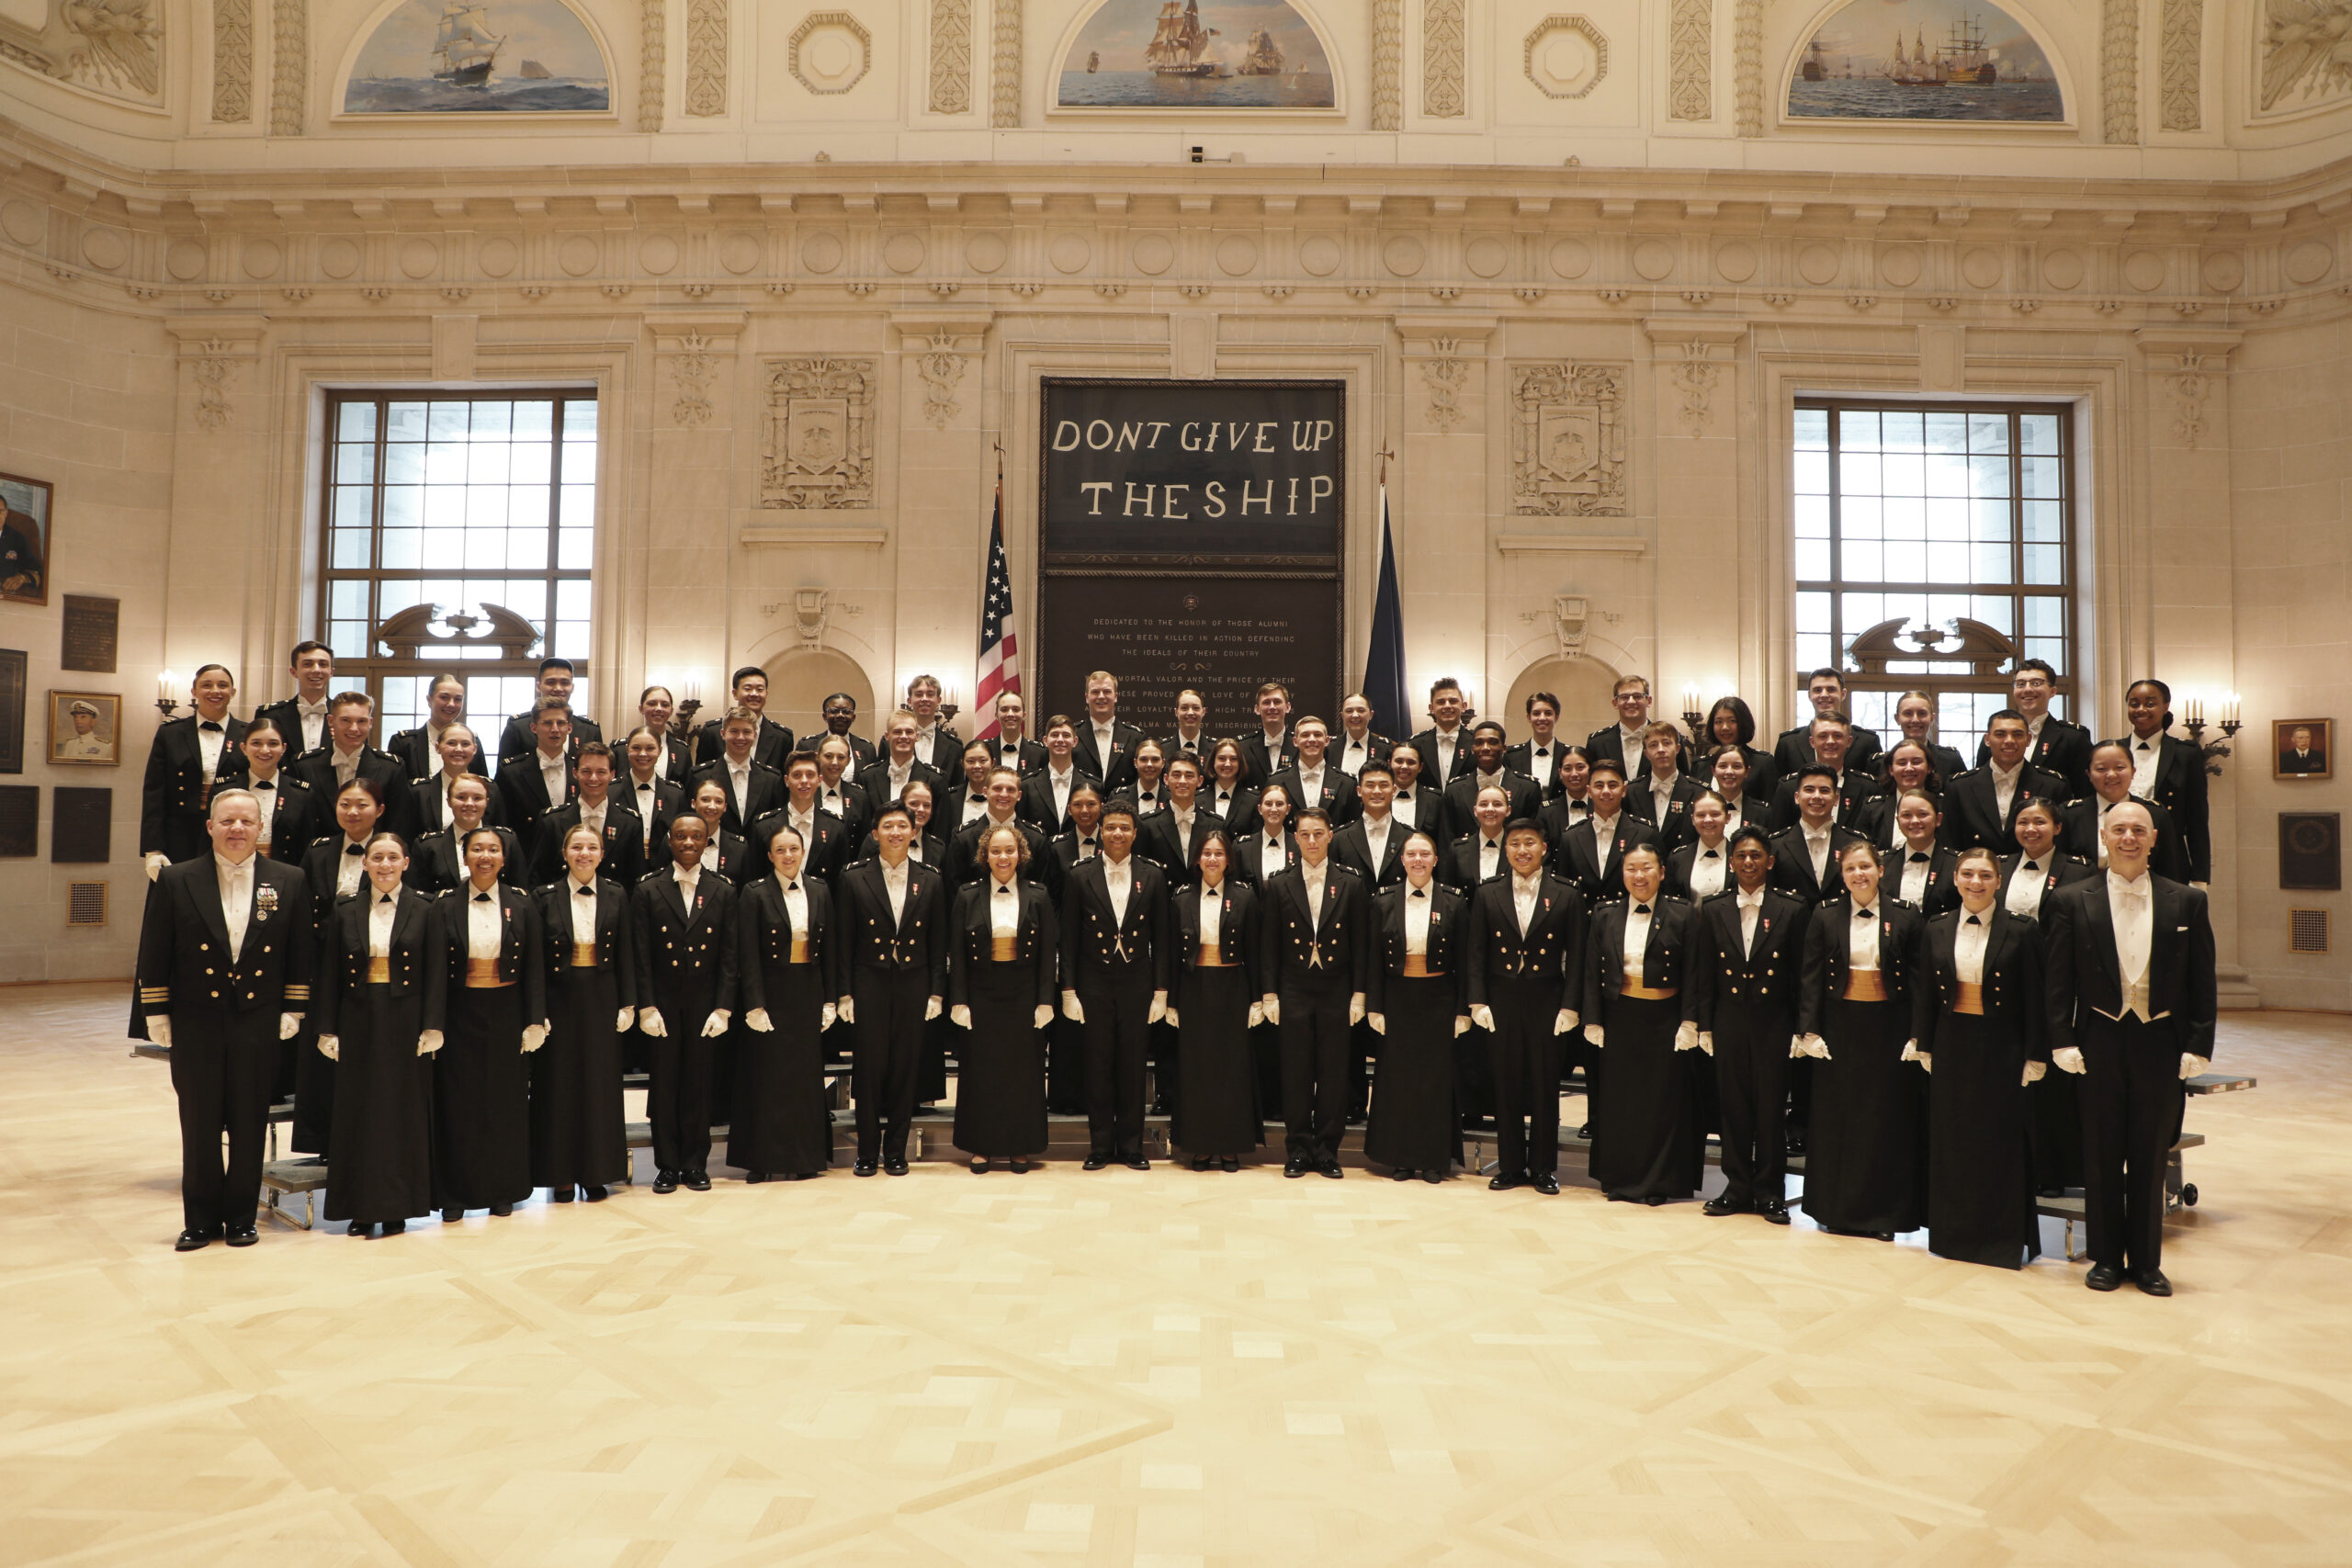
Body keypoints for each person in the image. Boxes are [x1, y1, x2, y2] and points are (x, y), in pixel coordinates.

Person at [2043, 801, 2217, 1297]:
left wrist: (2199, 1042)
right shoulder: (2072, 899)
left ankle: (2146, 1262)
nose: (2128, 837)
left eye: (2138, 830)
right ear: (2104, 836)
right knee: (2100, 1153)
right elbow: (2058, 981)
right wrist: (2061, 1039)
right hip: (2097, 1039)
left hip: (2160, 1041)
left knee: (2149, 1152)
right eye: (2118, 829)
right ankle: (2104, 1258)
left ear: (2154, 838)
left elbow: (2202, 981)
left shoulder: (2186, 901)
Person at [135, 789, 313, 1251]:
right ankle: (199, 1219)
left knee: (250, 1120)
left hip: (257, 1019)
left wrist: (294, 1008)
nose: (237, 829)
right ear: (211, 826)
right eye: (228, 821)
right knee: (198, 1122)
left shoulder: (289, 880)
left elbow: (299, 951)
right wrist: (156, 1010)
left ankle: (240, 1218)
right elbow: (154, 949)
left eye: (247, 822)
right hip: (196, 1018)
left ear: (261, 829)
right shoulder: (177, 879)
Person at [1795, 842, 1934, 1239]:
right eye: (1851, 868)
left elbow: (1921, 979)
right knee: (1837, 1118)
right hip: (1839, 1027)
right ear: (1842, 875)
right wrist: (1810, 1029)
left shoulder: (1906, 916)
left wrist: (1917, 1033)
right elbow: (1809, 977)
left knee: (1884, 1118)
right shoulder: (1823, 915)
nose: (1859, 874)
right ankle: (1833, 1210)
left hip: (1889, 1027)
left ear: (1880, 871)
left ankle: (1882, 1216)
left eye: (1866, 867)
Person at [1918, 848, 2047, 1269]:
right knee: (1953, 1140)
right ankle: (1954, 1236)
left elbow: (2034, 996)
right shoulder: (1935, 927)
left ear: (1998, 880)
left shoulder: (2023, 930)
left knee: (2000, 1142)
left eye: (1985, 875)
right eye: (1968, 874)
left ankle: (1999, 1240)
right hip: (1953, 1042)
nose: (1976, 883)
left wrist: (2034, 1053)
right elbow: (1924, 991)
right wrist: (1923, 1043)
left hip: (2003, 1045)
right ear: (1955, 878)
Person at [313, 831, 443, 1239]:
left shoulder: (426, 908)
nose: (385, 865)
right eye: (377, 858)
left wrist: (434, 1025)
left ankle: (398, 1207)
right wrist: (326, 1028)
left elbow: (437, 972)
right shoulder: (345, 908)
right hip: (358, 1018)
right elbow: (329, 973)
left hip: (406, 1022)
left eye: (393, 857)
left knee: (401, 1113)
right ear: (364, 864)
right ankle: (361, 1208)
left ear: (406, 863)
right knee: (359, 1113)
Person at [1690, 826, 1808, 1222]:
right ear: (1731, 861)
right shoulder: (1713, 908)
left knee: (1771, 1109)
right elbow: (1704, 974)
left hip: (1774, 1022)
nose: (1748, 862)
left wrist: (1801, 1028)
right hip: (1729, 1021)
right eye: (1740, 855)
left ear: (1770, 861)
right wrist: (1704, 1025)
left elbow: (1801, 977)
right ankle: (1736, 1186)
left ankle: (1770, 1191)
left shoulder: (1791, 909)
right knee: (1733, 1107)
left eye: (1756, 855)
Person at [431, 828, 547, 1224]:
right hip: (459, 1011)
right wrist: (433, 1022)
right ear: (464, 857)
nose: (485, 856)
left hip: (506, 1009)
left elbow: (535, 967)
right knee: (457, 1102)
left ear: (504, 858)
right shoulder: (443, 904)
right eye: (477, 849)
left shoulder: (522, 903)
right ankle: (456, 1193)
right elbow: (433, 971)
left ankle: (505, 1189)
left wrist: (534, 1020)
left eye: (493, 850)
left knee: (506, 1101)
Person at [1465, 819, 1585, 1193]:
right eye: (1514, 843)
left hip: (1547, 997)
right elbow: (1476, 952)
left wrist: (1570, 1006)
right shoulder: (1488, 893)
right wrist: (1477, 1000)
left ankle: (1544, 1167)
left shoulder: (1566, 894)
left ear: (1543, 849)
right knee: (1506, 1083)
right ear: (1506, 850)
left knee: (1547, 1084)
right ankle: (1512, 1166)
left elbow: (1578, 957)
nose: (1522, 850)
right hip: (1502, 997)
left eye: (1529, 843)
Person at [1579, 844, 1702, 1203]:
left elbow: (1695, 972)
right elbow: (1590, 971)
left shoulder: (1681, 914)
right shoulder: (1604, 914)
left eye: (1646, 868)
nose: (1639, 875)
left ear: (1661, 872)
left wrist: (1689, 1021)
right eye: (1631, 868)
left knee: (1660, 1103)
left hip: (1664, 1021)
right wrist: (1593, 1019)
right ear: (1623, 874)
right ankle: (1620, 1178)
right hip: (1620, 1017)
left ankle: (1657, 1183)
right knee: (1620, 1101)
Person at [834, 803, 948, 1176]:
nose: (896, 832)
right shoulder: (853, 877)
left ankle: (896, 1151)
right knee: (868, 1069)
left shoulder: (930, 878)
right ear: (875, 834)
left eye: (903, 825)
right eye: (888, 826)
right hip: (870, 982)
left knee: (905, 1067)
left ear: (914, 832)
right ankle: (867, 1152)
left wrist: (936, 991)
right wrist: (845, 992)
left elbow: (937, 942)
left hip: (914, 983)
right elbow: (844, 942)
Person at [630, 814, 740, 1195]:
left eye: (696, 836)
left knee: (699, 1082)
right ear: (670, 841)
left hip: (705, 1003)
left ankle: (695, 1163)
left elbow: (730, 955)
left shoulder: (723, 889)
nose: (688, 843)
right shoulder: (648, 888)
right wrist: (646, 1006)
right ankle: (666, 1164)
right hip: (662, 1003)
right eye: (681, 836)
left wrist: (724, 1007)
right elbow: (640, 954)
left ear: (707, 841)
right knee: (664, 1083)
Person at [1259, 808, 1370, 1179]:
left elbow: (1360, 946)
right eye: (1304, 834)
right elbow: (1268, 946)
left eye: (1318, 834)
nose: (1311, 841)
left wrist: (1359, 995)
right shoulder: (1277, 884)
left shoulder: (1351, 883)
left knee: (1334, 1073)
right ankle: (1298, 1150)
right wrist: (1270, 994)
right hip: (1294, 989)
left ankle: (1327, 1151)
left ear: (1330, 836)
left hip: (1336, 989)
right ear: (1295, 838)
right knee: (1296, 1073)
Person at [1060, 801, 1170, 1170]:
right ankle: (1100, 1147)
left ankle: (1132, 1147)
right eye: (1111, 828)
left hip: (1137, 981)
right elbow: (1069, 938)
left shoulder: (1153, 875)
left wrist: (1161, 991)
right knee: (1098, 1064)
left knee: (1133, 1066)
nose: (1117, 834)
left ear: (1135, 833)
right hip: (1094, 982)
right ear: (1100, 832)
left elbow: (1163, 939)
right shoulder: (1079, 875)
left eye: (1124, 827)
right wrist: (1069, 990)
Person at [1999, 796, 2100, 1196]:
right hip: (2005, 985)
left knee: (2052, 1080)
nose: (2030, 830)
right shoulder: (2000, 866)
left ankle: (2052, 1170)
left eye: (2040, 822)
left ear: (2057, 828)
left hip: (2057, 985)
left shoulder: (2078, 872)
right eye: (2023, 822)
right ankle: (2010, 1163)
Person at [532, 823, 636, 1203]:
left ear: (602, 854)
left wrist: (628, 1002)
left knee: (599, 1086)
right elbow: (536, 962)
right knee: (558, 1085)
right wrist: (537, 1010)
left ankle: (596, 1172)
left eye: (592, 847)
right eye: (576, 847)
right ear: (564, 853)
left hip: (602, 996)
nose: (584, 854)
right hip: (560, 999)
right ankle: (560, 1174)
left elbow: (627, 951)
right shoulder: (544, 897)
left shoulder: (617, 894)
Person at [730, 826, 840, 1182]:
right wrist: (755, 1004)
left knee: (806, 1078)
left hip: (807, 989)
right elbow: (746, 953)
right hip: (771, 992)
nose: (789, 856)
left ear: (803, 851)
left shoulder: (821, 890)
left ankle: (805, 1158)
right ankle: (762, 1160)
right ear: (770, 856)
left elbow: (831, 953)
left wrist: (829, 999)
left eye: (794, 848)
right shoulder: (754, 892)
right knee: (766, 1077)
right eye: (781, 850)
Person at [947, 824, 1057, 1172]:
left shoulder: (1039, 895)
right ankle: (982, 1146)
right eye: (996, 851)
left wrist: (1045, 1001)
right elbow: (958, 954)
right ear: (985, 856)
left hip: (1023, 992)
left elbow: (1047, 954)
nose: (1003, 857)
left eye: (1009, 850)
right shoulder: (967, 895)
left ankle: (1019, 1146)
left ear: (1021, 854)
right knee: (981, 1071)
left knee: (1023, 1072)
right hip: (982, 993)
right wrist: (959, 1000)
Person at [1361, 831, 1467, 1181]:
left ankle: (1433, 1158)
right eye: (1412, 854)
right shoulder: (1383, 901)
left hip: (1439, 998)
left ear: (1436, 860)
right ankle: (1400, 1156)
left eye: (1425, 854)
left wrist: (1463, 1009)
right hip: (1397, 997)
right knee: (1397, 1079)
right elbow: (1372, 961)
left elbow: (1465, 960)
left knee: (1435, 1080)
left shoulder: (1454, 901)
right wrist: (1374, 1006)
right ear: (1402, 860)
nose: (1418, 860)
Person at [293, 776, 389, 1156]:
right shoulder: (318, 851)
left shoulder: (390, 850)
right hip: (323, 968)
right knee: (323, 1058)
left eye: (362, 804)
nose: (353, 812)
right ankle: (326, 1142)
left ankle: (370, 1137)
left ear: (379, 811)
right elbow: (300, 912)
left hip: (372, 971)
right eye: (345, 804)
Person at [1166, 829, 1264, 1170]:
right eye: (1206, 853)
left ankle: (1231, 1145)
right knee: (1196, 1068)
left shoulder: (1246, 897)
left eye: (1219, 854)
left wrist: (1257, 999)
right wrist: (1171, 1001)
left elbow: (1256, 952)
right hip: (1194, 988)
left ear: (1229, 860)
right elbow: (1171, 956)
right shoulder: (1180, 898)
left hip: (1233, 987)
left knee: (1232, 1067)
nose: (1212, 859)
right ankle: (1199, 1145)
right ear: (1196, 859)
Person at [142, 664, 250, 874]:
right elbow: (154, 792)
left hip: (233, 830)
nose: (215, 691)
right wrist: (152, 849)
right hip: (181, 832)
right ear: (194, 692)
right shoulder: (171, 733)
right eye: (207, 685)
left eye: (223, 685)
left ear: (233, 692)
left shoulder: (248, 734)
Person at [2116, 678, 2210, 882]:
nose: (2141, 709)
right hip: (2119, 856)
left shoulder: (2186, 753)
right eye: (2134, 704)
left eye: (2150, 703)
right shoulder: (2113, 750)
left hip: (2170, 860)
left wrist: (2200, 877)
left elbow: (2198, 821)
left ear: (2165, 706)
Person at [2061, 741, 2191, 883]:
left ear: (2133, 771)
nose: (2111, 774)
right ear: (2089, 774)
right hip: (2084, 897)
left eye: (2120, 768)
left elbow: (2170, 869)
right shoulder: (2070, 814)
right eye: (2101, 769)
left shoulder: (2155, 814)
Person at [1946, 710, 2070, 854]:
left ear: (2028, 739)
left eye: (2017, 734)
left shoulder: (2054, 785)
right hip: (1976, 873)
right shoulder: (1959, 787)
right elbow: (1950, 844)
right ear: (1987, 739)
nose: (2009, 740)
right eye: (2000, 734)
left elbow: (2062, 842)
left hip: (2034, 872)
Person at [529, 740, 645, 888]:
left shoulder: (630, 823)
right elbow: (537, 878)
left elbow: (635, 883)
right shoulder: (551, 821)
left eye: (601, 772)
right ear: (575, 773)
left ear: (612, 774)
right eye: (586, 771)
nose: (593, 778)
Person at [1976, 658, 2091, 798]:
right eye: (2020, 684)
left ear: (2053, 691)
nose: (2028, 689)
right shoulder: (1995, 736)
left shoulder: (2073, 738)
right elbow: (1980, 783)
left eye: (2036, 683)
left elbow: (2083, 793)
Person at [1551, 757, 1657, 904]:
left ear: (1624, 790)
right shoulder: (1570, 838)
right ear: (1589, 791)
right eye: (1599, 786)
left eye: (1613, 785)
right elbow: (1561, 892)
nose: (1606, 791)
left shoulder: (1645, 833)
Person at [407, 774, 525, 897]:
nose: (469, 803)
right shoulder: (427, 846)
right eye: (461, 797)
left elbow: (520, 893)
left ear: (487, 802)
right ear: (449, 801)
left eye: (477, 798)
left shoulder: (507, 840)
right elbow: (419, 898)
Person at [495, 698, 580, 862]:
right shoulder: (512, 772)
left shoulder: (581, 770)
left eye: (560, 723)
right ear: (534, 727)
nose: (555, 729)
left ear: (569, 728)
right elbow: (502, 824)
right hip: (527, 859)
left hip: (574, 861)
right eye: (547, 723)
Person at [235, 715, 324, 867]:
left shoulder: (301, 794)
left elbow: (306, 850)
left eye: (273, 744)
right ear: (244, 748)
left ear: (283, 748)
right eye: (256, 743)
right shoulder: (225, 790)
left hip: (284, 874)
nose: (265, 750)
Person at [1769, 765, 1863, 906]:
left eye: (1824, 790)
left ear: (1836, 799)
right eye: (1809, 790)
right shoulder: (1775, 845)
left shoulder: (1856, 844)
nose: (1817, 796)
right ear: (1797, 797)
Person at [1767, 714, 1878, 832]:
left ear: (1849, 741)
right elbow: (1777, 839)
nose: (1830, 741)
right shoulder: (1788, 787)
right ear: (1812, 742)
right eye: (1823, 736)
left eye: (1837, 736)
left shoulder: (1868, 788)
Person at [1771, 668, 1884, 778]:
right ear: (1809, 695)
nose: (1824, 695)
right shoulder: (1788, 743)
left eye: (1831, 689)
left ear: (1843, 694)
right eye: (1817, 690)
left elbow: (1875, 787)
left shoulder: (1867, 741)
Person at [692, 705, 785, 838]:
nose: (740, 737)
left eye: (747, 732)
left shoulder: (772, 779)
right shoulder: (700, 776)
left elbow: (775, 825)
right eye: (734, 731)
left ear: (755, 735)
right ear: (723, 734)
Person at [496, 657, 603, 763]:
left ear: (572, 687)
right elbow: (505, 773)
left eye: (565, 683)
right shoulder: (517, 727)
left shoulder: (590, 730)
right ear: (538, 686)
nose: (558, 688)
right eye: (551, 682)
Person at [1138, 753, 1223, 886]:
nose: (1182, 781)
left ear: (1200, 781)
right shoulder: (1148, 824)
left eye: (1189, 776)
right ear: (1166, 779)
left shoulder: (1215, 824)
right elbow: (1142, 873)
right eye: (1176, 775)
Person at [387, 674, 487, 784]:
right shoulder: (405, 743)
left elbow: (482, 784)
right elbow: (395, 788)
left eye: (457, 699)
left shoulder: (472, 741)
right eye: (444, 697)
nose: (451, 704)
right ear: (429, 700)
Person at [1441, 720, 1539, 832]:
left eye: (1493, 742)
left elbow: (1535, 835)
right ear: (1473, 750)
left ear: (1504, 749)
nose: (1485, 748)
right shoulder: (1454, 790)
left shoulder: (1527, 788)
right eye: (1479, 743)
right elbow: (1446, 840)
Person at [411, 723, 506, 836]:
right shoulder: (419, 791)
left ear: (475, 749)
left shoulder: (490, 788)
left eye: (465, 744)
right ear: (437, 747)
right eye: (451, 743)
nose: (458, 749)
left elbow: (500, 833)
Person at [1855, 739, 1949, 854]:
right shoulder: (1873, 809)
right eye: (1902, 763)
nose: (1909, 768)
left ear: (1929, 767)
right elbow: (1861, 853)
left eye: (1916, 762)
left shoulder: (1945, 806)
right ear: (1891, 770)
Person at [1588, 674, 1689, 780]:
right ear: (1615, 703)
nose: (1631, 701)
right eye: (1624, 697)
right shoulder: (1597, 743)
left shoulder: (1671, 739)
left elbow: (1684, 782)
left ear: (1649, 701)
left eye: (1637, 696)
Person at [1883, 787, 1962, 917]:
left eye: (1922, 814)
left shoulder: (1957, 864)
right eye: (1907, 815)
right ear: (1898, 821)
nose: (1915, 821)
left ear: (1938, 819)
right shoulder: (1884, 864)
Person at [1330, 759, 1407, 889]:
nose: (1377, 791)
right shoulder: (1338, 839)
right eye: (1370, 785)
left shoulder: (1409, 838)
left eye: (1383, 785)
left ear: (1394, 790)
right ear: (1359, 791)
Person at [1626, 722, 1703, 851]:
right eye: (1653, 745)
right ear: (1646, 753)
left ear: (1678, 748)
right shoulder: (1631, 792)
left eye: (1667, 743)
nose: (1661, 750)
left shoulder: (1698, 792)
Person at [1270, 716, 1359, 825]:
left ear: (1327, 741)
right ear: (1295, 741)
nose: (1311, 739)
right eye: (1305, 735)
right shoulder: (1276, 781)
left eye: (1317, 735)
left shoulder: (1347, 783)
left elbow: (1352, 828)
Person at [253, 640, 336, 757]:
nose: (316, 670)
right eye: (307, 664)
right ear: (293, 672)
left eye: (323, 664)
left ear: (331, 672)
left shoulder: (343, 716)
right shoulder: (270, 715)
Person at [695, 667, 793, 766]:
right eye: (747, 689)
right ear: (735, 693)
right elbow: (701, 777)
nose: (754, 694)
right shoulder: (712, 732)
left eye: (760, 689)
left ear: (766, 694)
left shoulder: (782, 737)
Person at [622, 727, 686, 863]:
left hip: (664, 871)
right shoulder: (611, 791)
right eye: (636, 748)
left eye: (650, 748)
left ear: (660, 751)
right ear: (627, 749)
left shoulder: (676, 795)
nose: (643, 754)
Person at [1074, 671, 1145, 793]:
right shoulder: (1072, 735)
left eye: (1106, 691)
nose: (1101, 696)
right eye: (1095, 692)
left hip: (1121, 809)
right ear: (1087, 697)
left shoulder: (1135, 737)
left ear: (1116, 696)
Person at [1663, 790, 1734, 901]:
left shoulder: (1739, 855)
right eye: (1701, 815)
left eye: (1715, 814)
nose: (1708, 820)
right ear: (1693, 819)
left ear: (1727, 817)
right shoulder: (1677, 858)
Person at [1703, 696, 1778, 803]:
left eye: (1732, 721)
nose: (1725, 727)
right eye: (1718, 722)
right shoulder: (1700, 766)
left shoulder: (1763, 763)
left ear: (1743, 723)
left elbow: (1770, 808)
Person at [1023, 716, 1088, 833]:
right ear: (1045, 741)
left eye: (1066, 735)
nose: (1060, 740)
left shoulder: (1091, 785)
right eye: (1055, 735)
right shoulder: (1027, 785)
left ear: (1075, 741)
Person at [1890, 690, 1966, 786]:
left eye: (1922, 713)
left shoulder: (1950, 760)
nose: (1915, 720)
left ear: (1932, 718)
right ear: (1897, 718)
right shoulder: (1881, 763)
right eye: (1908, 713)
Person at [872, 708, 945, 808]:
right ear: (887, 736)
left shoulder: (935, 780)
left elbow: (941, 823)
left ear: (917, 736)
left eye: (909, 732)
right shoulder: (868, 777)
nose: (903, 736)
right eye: (897, 732)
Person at [1409, 677, 1476, 786]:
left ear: (1464, 706)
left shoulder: (1477, 742)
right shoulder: (1416, 744)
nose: (1447, 706)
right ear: (1431, 708)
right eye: (1441, 702)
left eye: (1453, 701)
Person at [684, 779, 752, 883]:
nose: (712, 806)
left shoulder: (739, 848)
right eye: (705, 800)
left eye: (718, 801)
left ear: (725, 807)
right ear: (693, 803)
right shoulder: (676, 841)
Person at [1506, 693, 1568, 802]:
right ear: (1529, 717)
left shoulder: (1568, 754)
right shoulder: (1511, 756)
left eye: (1548, 713)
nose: (1542, 718)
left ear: (1557, 717)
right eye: (1536, 713)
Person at [796, 691, 876, 775]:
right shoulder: (806, 745)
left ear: (853, 717)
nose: (840, 715)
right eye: (834, 711)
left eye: (846, 711)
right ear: (824, 716)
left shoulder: (867, 748)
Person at [1238, 681, 1297, 786]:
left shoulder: (1300, 745)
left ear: (1288, 707)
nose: (1272, 707)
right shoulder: (1242, 747)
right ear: (1257, 709)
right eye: (1266, 702)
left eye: (1277, 702)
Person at [635, 685, 697, 785]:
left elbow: (687, 790)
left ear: (671, 711)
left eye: (664, 705)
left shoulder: (682, 751)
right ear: (641, 709)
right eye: (652, 703)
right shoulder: (620, 749)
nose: (659, 708)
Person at [1238, 783, 1296, 887]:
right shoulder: (1243, 848)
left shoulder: (1299, 845)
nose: (1274, 809)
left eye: (1279, 804)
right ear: (1260, 809)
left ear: (1288, 809)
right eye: (1268, 804)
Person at [1706, 744, 1769, 837]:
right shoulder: (1701, 810)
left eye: (1736, 766)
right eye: (1723, 766)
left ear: (1747, 772)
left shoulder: (1763, 812)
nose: (1729, 772)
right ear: (1713, 771)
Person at [904, 673, 961, 772]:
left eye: (930, 694)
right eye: (919, 694)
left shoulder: (954, 745)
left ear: (938, 701)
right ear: (909, 701)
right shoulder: (892, 741)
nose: (925, 699)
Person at [1203, 738, 1261, 829]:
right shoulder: (1197, 799)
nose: (1227, 764)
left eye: (1233, 759)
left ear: (1240, 763)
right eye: (1222, 758)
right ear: (1213, 762)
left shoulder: (1253, 800)